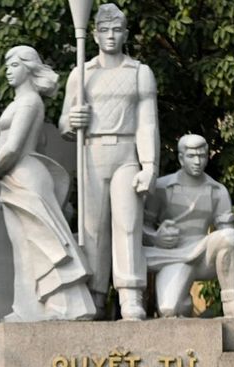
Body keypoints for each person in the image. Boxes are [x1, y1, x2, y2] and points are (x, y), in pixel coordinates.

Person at [59, 3, 160, 320]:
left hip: (126, 154)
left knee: (128, 225)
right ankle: (95, 296)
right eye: (104, 30)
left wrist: (150, 166)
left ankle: (130, 295)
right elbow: (63, 123)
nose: (111, 36)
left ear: (126, 33)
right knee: (92, 230)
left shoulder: (140, 73)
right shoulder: (81, 73)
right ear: (95, 34)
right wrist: (72, 120)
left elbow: (147, 123)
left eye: (117, 30)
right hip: (91, 153)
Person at [0, 45, 96, 322]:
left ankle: (60, 307)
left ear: (28, 67)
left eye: (14, 65)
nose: (8, 71)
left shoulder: (29, 102)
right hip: (16, 178)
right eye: (7, 65)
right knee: (24, 247)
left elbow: (12, 147)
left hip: (22, 175)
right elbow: (40, 143)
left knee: (41, 243)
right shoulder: (21, 102)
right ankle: (28, 308)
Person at [143, 134, 234, 317]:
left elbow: (227, 231)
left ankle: (233, 301)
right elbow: (141, 227)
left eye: (202, 156)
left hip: (204, 254)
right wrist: (155, 237)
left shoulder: (218, 191)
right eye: (191, 156)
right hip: (171, 255)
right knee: (169, 309)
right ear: (181, 158)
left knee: (229, 237)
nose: (197, 161)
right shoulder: (161, 188)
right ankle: (184, 303)